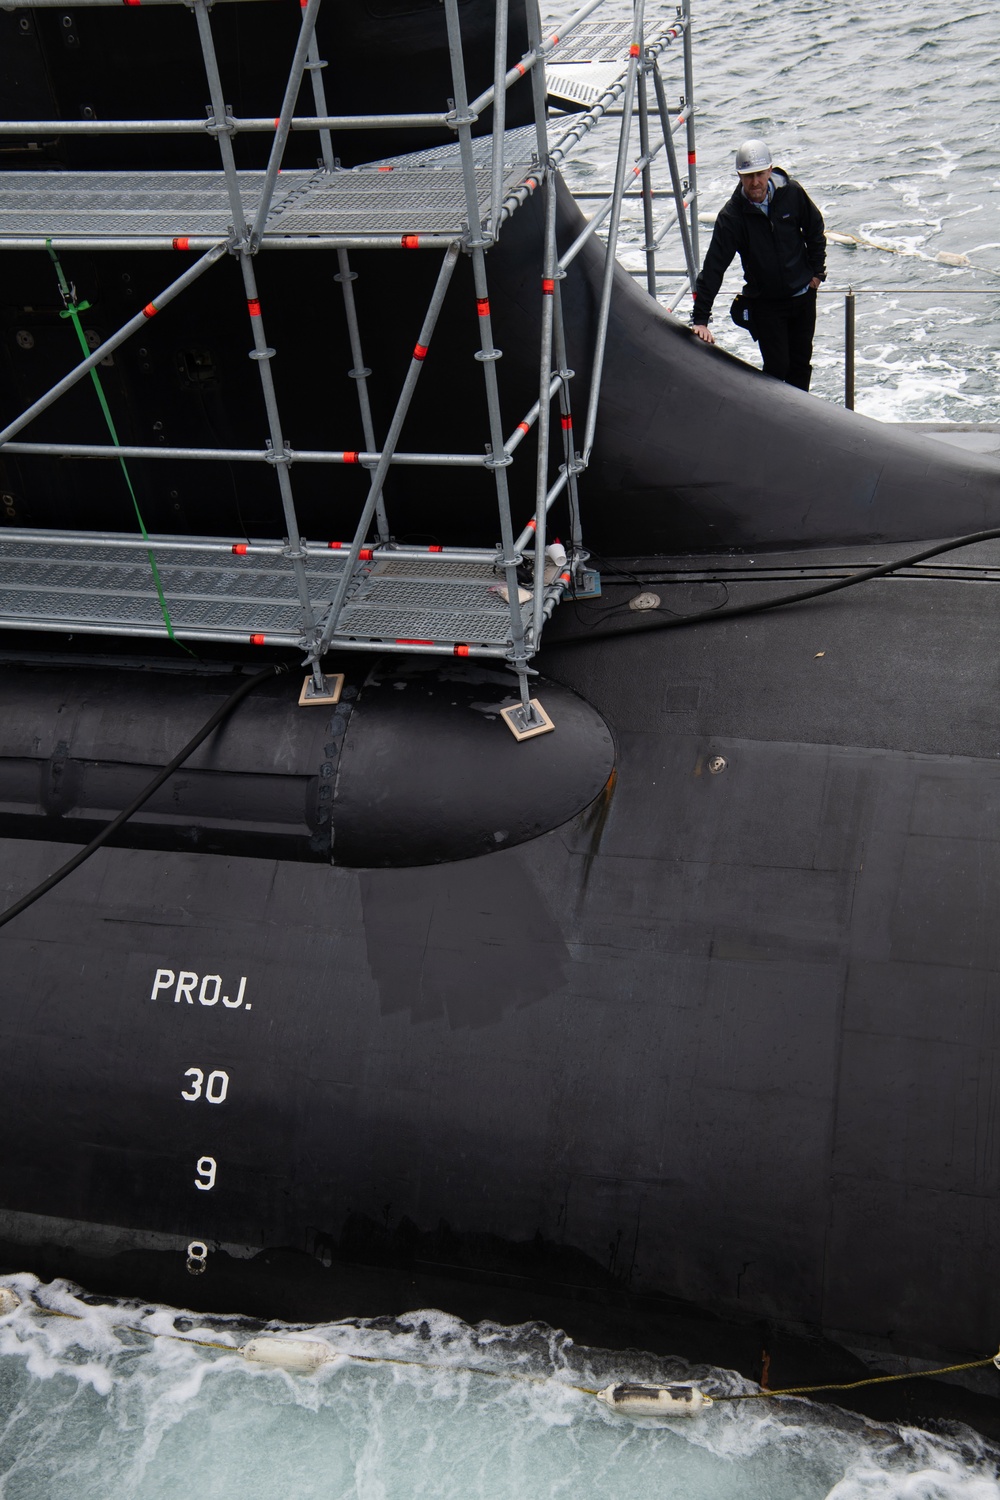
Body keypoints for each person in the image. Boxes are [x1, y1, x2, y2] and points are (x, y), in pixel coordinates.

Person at [691, 139, 826, 391]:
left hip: (803, 297)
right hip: (767, 304)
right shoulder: (731, 217)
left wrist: (817, 272)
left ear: (770, 170)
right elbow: (714, 267)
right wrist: (701, 319)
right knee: (777, 368)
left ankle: (796, 425)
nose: (755, 182)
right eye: (747, 176)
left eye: (759, 174)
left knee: (801, 366)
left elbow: (815, 228)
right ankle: (774, 424)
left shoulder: (792, 193)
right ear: (739, 177)